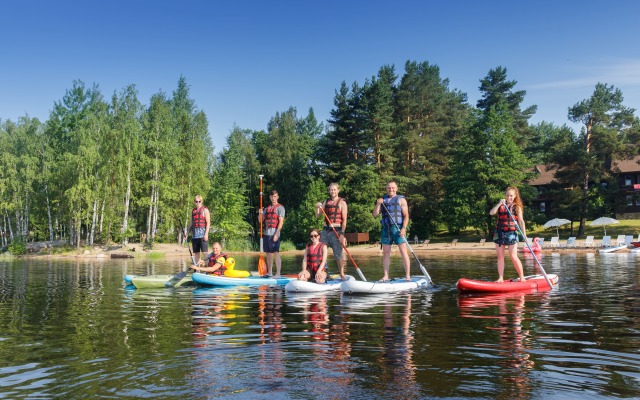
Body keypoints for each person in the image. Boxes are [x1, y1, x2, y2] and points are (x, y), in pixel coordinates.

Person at [372, 180, 411, 281]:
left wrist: (404, 228)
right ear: (386, 189)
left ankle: (407, 275)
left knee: (403, 252)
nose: (391, 189)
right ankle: (385, 276)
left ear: (396, 189)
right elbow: (375, 214)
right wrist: (377, 204)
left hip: (397, 228)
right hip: (386, 229)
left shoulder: (401, 200)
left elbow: (406, 216)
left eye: (393, 188)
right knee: (386, 253)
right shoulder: (382, 200)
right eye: (389, 188)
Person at [489, 186, 527, 283]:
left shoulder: (517, 207)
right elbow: (491, 213)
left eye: (511, 196)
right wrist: (499, 204)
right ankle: (500, 277)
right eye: (507, 195)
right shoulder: (502, 205)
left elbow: (521, 221)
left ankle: (522, 277)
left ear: (514, 196)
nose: (509, 197)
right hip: (500, 233)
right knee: (500, 255)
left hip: (511, 233)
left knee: (513, 255)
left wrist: (524, 234)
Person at [315, 183, 347, 280]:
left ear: (338, 190)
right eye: (331, 190)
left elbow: (344, 220)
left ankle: (342, 274)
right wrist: (317, 207)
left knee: (338, 254)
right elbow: (318, 215)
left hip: (336, 231)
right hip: (325, 230)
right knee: (320, 252)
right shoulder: (326, 201)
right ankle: (324, 272)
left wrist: (342, 234)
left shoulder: (342, 203)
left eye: (334, 190)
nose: (332, 191)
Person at [260, 190, 285, 277]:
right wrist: (259, 213)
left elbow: (281, 222)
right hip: (266, 233)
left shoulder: (280, 208)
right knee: (268, 253)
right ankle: (270, 272)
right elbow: (260, 220)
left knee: (275, 252)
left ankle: (278, 273)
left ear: (277, 197)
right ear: (270, 197)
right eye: (272, 196)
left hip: (275, 232)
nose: (273, 198)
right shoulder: (267, 208)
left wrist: (277, 234)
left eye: (275, 196)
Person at [187, 195, 210, 262]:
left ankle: (208, 268)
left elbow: (208, 223)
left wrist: (206, 234)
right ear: (194, 202)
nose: (198, 203)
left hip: (202, 234)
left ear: (201, 201)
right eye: (196, 201)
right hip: (195, 235)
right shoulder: (193, 211)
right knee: (197, 253)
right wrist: (187, 233)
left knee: (204, 252)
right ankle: (197, 269)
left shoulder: (205, 210)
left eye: (199, 201)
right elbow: (191, 223)